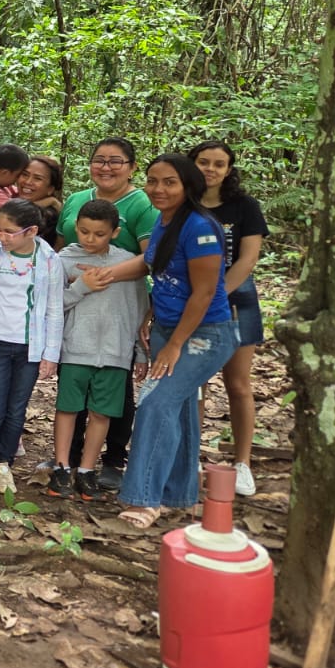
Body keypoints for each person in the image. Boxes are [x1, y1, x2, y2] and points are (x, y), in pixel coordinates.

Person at [97, 154, 237, 529]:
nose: (158, 189)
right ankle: (177, 493)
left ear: (188, 186)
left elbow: (204, 293)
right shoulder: (163, 221)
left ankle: (144, 498)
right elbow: (153, 267)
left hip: (203, 335)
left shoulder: (201, 228)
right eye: (153, 181)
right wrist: (107, 277)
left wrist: (175, 345)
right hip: (166, 328)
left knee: (156, 403)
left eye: (169, 182)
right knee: (179, 408)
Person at [55, 138, 159, 490]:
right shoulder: (75, 203)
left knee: (111, 401)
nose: (106, 167)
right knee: (71, 401)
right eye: (99, 160)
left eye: (116, 161)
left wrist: (101, 276)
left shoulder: (142, 204)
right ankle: (65, 463)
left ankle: (107, 461)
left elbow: (149, 262)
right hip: (77, 333)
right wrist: (78, 284)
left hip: (117, 325)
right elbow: (56, 270)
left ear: (131, 166)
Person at [0, 199, 65, 495]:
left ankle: (4, 462)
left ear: (31, 231)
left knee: (16, 409)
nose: (1, 236)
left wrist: (50, 354)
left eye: (9, 232)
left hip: (29, 347)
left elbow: (54, 309)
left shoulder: (49, 260)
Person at [49, 199, 148, 501]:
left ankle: (87, 469)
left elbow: (138, 310)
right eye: (84, 231)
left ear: (115, 232)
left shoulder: (129, 263)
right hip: (75, 348)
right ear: (75, 227)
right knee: (68, 408)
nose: (90, 239)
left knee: (102, 413)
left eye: (99, 234)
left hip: (116, 352)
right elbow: (52, 306)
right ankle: (62, 466)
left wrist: (140, 352)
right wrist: (81, 286)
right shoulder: (63, 260)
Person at [190, 139, 268, 497]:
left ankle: (242, 463)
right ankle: (190, 458)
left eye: (218, 164)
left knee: (237, 384)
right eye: (203, 162)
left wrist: (214, 296)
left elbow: (248, 259)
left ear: (228, 169)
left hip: (236, 300)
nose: (210, 169)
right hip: (190, 300)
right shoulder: (183, 202)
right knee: (195, 384)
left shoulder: (244, 206)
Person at [17, 155, 65, 248]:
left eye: (37, 178)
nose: (28, 182)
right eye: (25, 174)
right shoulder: (11, 196)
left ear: (50, 189)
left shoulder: (46, 216)